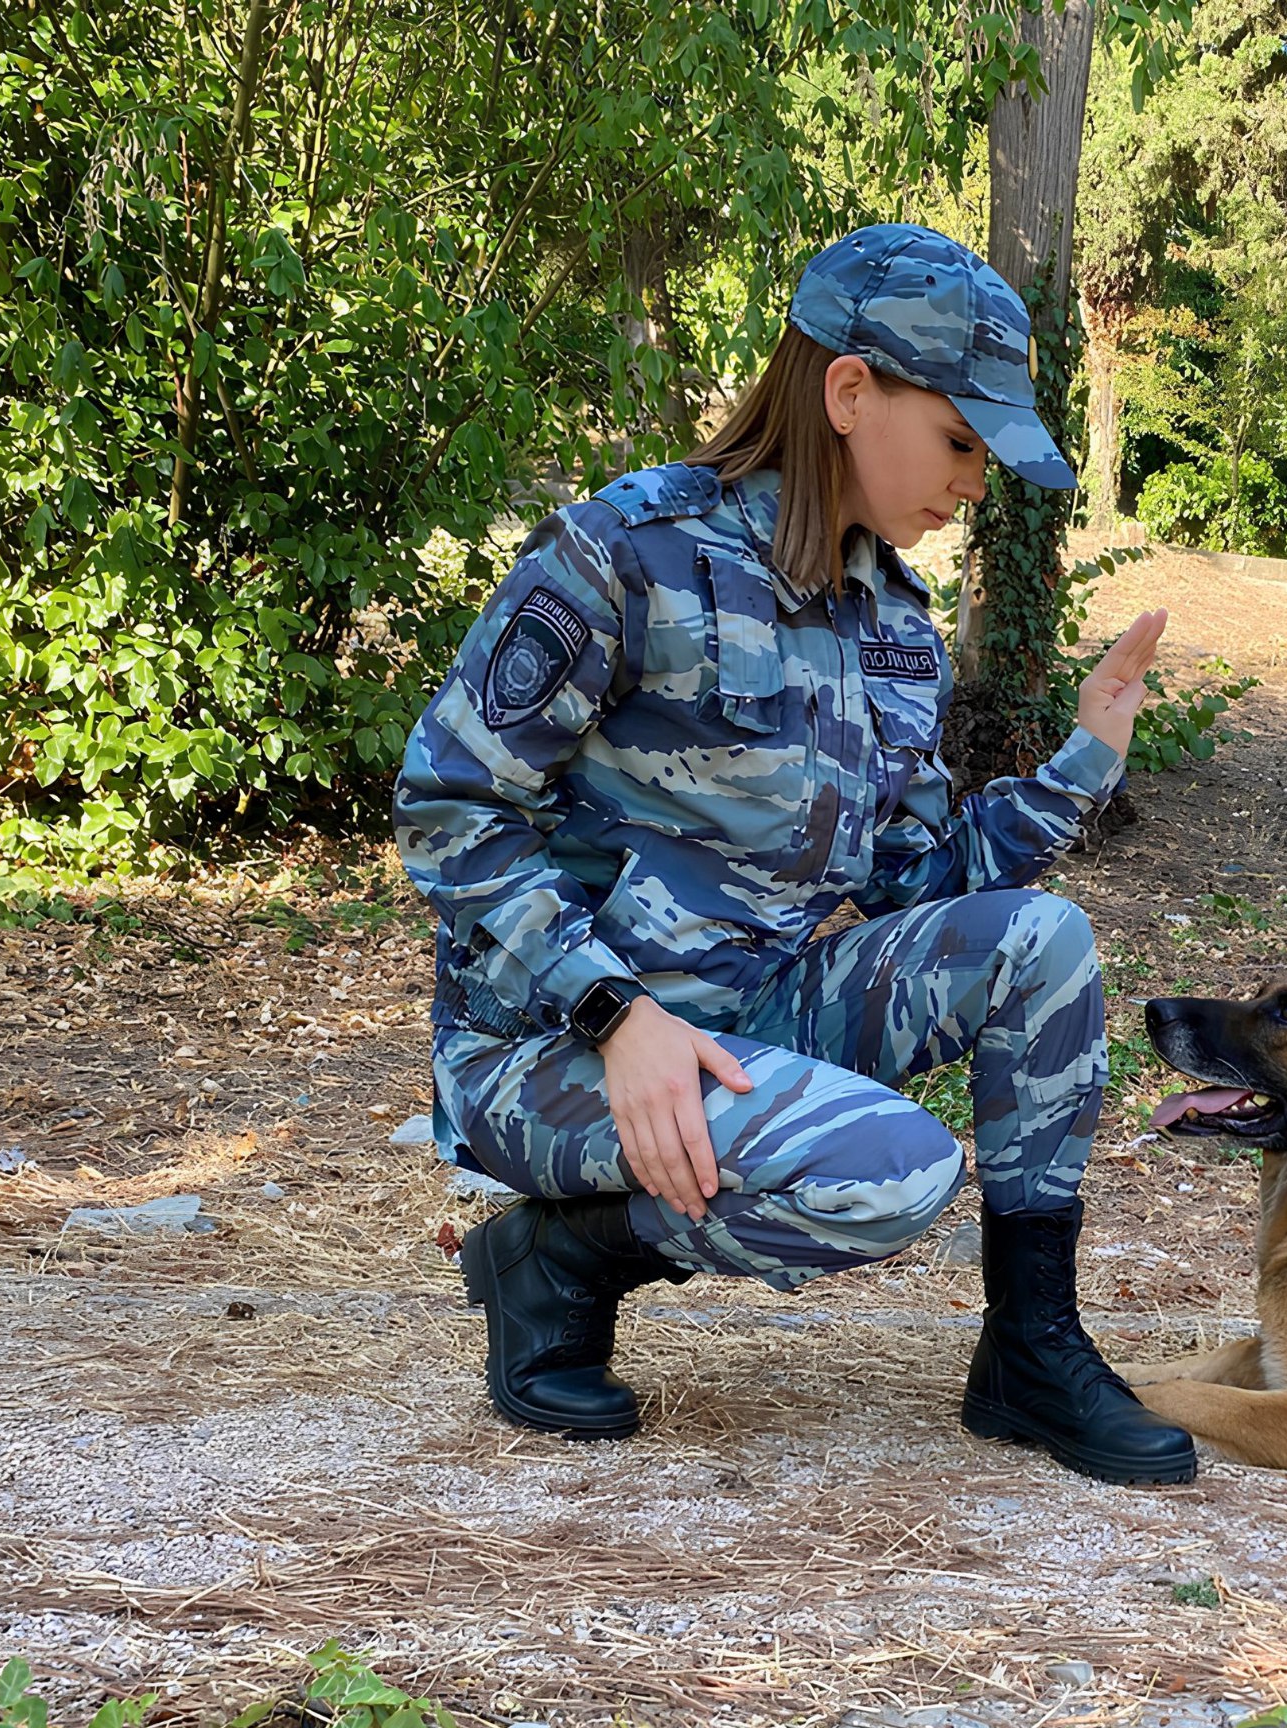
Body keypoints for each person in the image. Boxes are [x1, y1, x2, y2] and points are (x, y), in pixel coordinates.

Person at [392, 223, 1195, 1486]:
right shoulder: (629, 556)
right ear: (848, 391)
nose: (975, 482)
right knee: (893, 1174)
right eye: (960, 441)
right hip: (550, 1051)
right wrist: (614, 1013)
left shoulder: (897, 629)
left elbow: (915, 882)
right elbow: (448, 810)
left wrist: (1081, 764)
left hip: (748, 1018)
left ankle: (1030, 1350)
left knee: (1045, 944)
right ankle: (553, 1257)